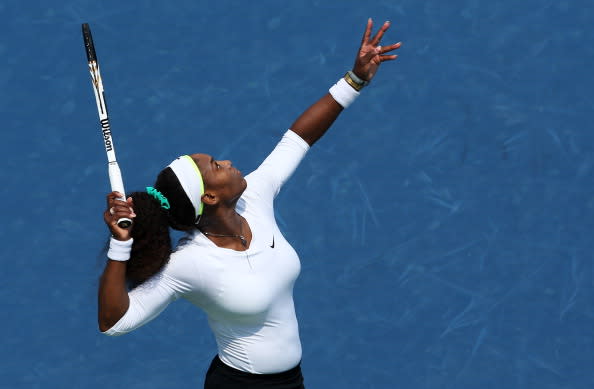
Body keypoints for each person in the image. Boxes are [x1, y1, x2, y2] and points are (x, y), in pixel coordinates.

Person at [99, 18, 401, 389]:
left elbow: (298, 138)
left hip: (292, 382)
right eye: (215, 166)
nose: (226, 162)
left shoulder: (255, 197)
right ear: (209, 197)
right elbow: (114, 323)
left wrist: (354, 80)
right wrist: (120, 245)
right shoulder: (188, 263)